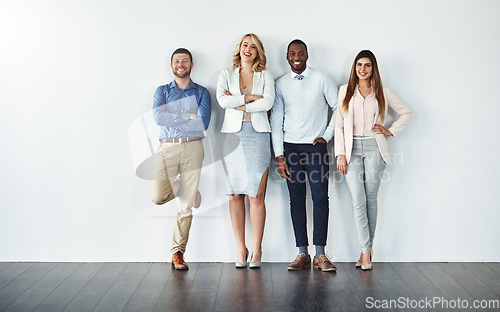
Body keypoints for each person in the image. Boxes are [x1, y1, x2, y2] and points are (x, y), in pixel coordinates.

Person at [335, 50, 412, 270]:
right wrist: (340, 153)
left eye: (367, 65)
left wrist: (390, 131)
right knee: (357, 201)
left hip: (375, 149)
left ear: (373, 68)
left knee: (371, 200)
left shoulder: (383, 92)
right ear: (354, 68)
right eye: (359, 65)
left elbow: (406, 113)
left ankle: (365, 252)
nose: (362, 69)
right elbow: (339, 125)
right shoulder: (345, 91)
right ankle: (366, 251)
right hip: (351, 151)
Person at [270, 39, 338, 272]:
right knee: (296, 200)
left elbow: (339, 107)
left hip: (315, 148)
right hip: (291, 150)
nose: (296, 57)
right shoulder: (280, 85)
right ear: (287, 57)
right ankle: (302, 253)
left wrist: (326, 137)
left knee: (320, 199)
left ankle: (320, 254)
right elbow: (276, 121)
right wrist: (279, 155)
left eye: (300, 53)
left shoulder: (321, 79)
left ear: (307, 55)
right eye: (292, 53)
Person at [216, 33, 275, 268]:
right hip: (232, 137)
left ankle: (257, 249)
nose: (248, 49)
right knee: (234, 193)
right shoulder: (226, 74)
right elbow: (222, 100)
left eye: (253, 46)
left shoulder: (265, 75)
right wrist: (250, 97)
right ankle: (241, 249)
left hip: (258, 135)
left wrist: (237, 102)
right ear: (239, 49)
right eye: (244, 45)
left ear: (258, 51)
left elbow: (268, 102)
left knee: (256, 195)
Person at [151, 48, 211, 270]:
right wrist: (188, 116)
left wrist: (173, 118)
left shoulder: (202, 92)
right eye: (177, 61)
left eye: (185, 61)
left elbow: (203, 123)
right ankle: (190, 189)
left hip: (193, 147)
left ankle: (177, 253)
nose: (181, 64)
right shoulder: (162, 91)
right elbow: (158, 117)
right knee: (158, 195)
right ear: (171, 65)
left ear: (191, 64)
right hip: (167, 148)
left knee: (184, 206)